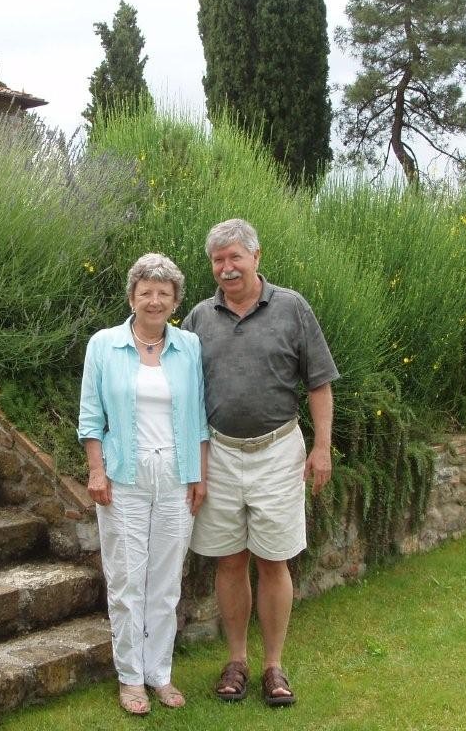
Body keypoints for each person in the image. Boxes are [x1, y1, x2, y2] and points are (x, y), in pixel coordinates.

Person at [182, 218, 339, 707]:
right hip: (221, 454)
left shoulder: (292, 308)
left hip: (278, 451)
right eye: (218, 260)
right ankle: (236, 661)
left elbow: (319, 383)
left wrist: (321, 448)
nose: (227, 268)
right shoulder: (198, 319)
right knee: (229, 562)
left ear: (256, 257)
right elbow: (181, 394)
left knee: (274, 560)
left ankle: (273, 665)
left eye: (235, 257)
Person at [78, 253, 209, 715]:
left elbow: (198, 419)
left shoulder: (188, 346)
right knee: (127, 578)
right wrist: (96, 470)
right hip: (124, 476)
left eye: (164, 292)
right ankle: (130, 677)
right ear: (132, 296)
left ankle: (160, 674)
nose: (154, 300)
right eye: (146, 291)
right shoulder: (104, 345)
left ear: (175, 300)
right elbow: (91, 416)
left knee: (166, 581)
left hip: (176, 475)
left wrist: (199, 473)